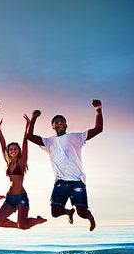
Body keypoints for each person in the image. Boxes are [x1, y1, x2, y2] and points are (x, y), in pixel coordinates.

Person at [27, 99, 103, 231]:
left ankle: (90, 218)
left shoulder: (76, 137)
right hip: (60, 181)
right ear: (53, 127)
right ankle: (68, 212)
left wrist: (98, 109)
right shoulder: (49, 141)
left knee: (82, 212)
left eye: (62, 121)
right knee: (55, 212)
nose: (60, 123)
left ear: (66, 125)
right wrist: (33, 118)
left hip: (76, 181)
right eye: (57, 122)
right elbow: (29, 136)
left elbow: (98, 129)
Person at [0, 115, 47, 229]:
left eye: (15, 149)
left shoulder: (22, 163)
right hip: (9, 198)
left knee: (23, 225)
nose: (13, 150)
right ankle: (19, 225)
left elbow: (25, 142)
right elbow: (2, 146)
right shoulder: (8, 163)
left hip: (21, 198)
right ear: (8, 152)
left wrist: (27, 125)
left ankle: (36, 221)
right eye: (11, 149)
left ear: (19, 151)